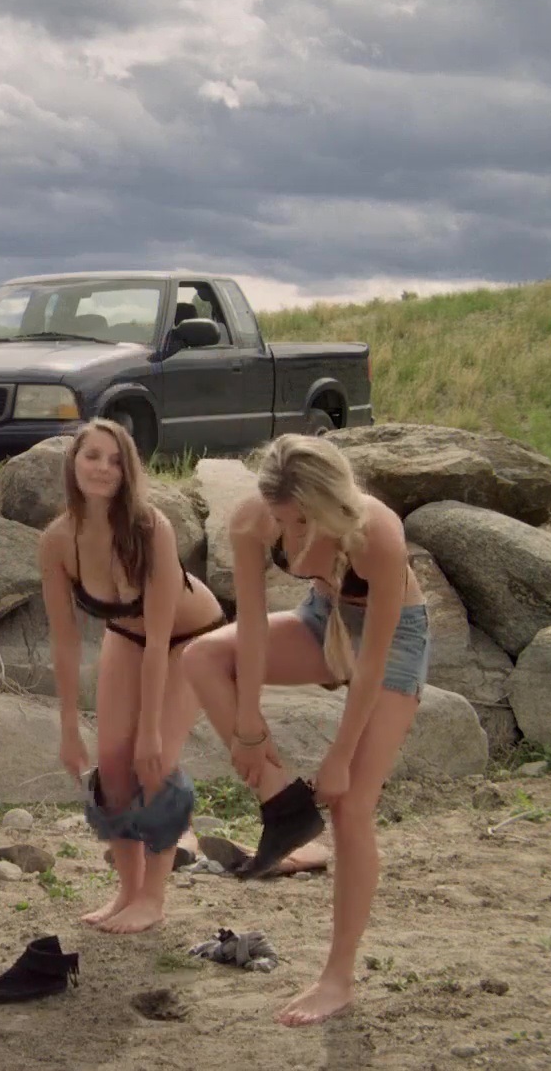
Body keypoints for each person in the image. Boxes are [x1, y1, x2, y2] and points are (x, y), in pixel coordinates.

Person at [183, 433, 431, 1026]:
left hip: (390, 641)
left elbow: (371, 664)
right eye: (280, 518)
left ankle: (337, 978)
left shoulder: (378, 534)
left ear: (330, 503)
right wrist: (247, 723)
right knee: (202, 657)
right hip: (320, 619)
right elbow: (250, 628)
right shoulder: (252, 522)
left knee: (351, 806)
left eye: (301, 521)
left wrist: (340, 757)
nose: (289, 535)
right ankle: (285, 809)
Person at [38, 419, 224, 933]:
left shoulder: (150, 527)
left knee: (154, 760)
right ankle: (128, 889)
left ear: (129, 471)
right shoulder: (57, 541)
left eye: (116, 460)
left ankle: (153, 899)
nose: (103, 468)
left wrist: (151, 729)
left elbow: (160, 638)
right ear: (73, 463)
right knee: (113, 768)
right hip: (125, 633)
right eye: (92, 456)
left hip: (190, 638)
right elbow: (64, 641)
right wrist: (68, 727)